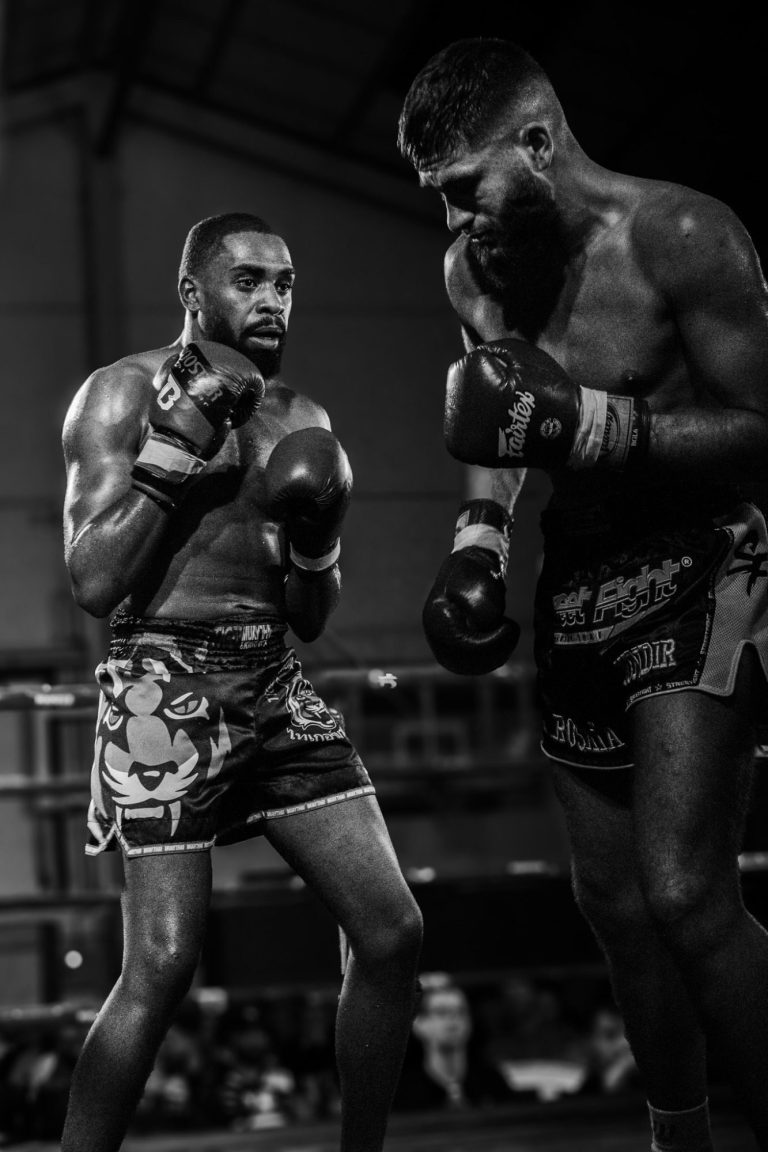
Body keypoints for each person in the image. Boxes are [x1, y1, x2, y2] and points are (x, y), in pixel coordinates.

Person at [398, 37, 768, 1152]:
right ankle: (679, 1139)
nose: (456, 226)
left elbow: (762, 437)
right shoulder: (477, 273)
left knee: (685, 896)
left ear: (540, 144)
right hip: (578, 586)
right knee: (614, 910)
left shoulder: (684, 236)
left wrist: (594, 425)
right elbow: (504, 420)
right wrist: (476, 542)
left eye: (467, 191)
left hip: (706, 561)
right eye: (438, 201)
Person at [60, 211, 423, 1152]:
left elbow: (309, 614)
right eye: (251, 281)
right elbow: (94, 581)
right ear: (195, 292)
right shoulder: (118, 396)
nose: (273, 300)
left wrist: (320, 535)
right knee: (165, 965)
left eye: (286, 284)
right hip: (161, 680)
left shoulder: (302, 418)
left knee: (390, 933)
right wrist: (170, 456)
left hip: (274, 672)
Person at [393, 974, 515, 1112]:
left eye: (460, 1011)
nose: (453, 1019)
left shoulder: (491, 1080)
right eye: (441, 1012)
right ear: (419, 1023)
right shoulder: (403, 1091)